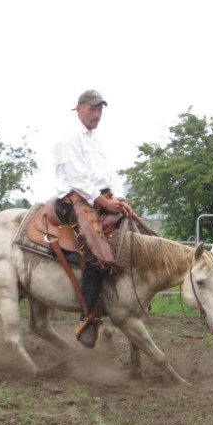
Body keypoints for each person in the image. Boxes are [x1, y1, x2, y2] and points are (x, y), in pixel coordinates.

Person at [52, 89, 135, 349]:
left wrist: (119, 199)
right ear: (79, 108)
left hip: (99, 199)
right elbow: (79, 180)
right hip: (73, 201)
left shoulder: (95, 141)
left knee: (133, 233)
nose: (97, 115)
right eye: (92, 109)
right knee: (97, 255)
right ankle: (88, 317)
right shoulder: (67, 139)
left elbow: (110, 173)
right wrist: (105, 202)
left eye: (100, 110)